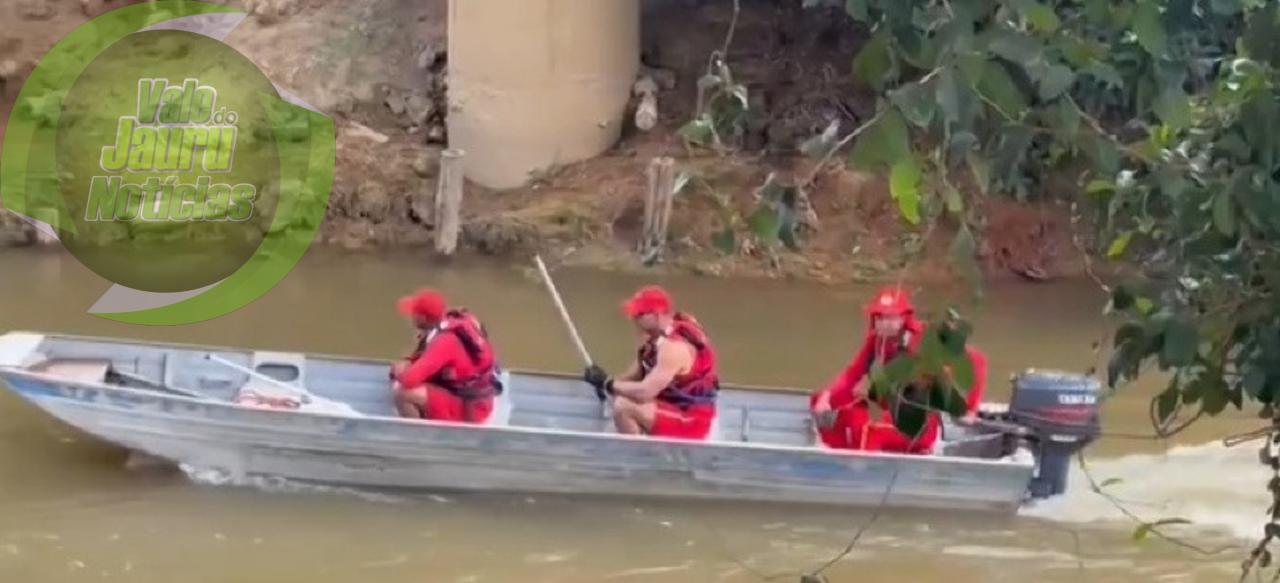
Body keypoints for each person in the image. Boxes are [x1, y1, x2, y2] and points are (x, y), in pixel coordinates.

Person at [809, 286, 987, 454]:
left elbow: (978, 360)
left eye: (891, 317)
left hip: (918, 426)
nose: (884, 323)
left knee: (870, 429)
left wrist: (970, 410)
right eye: (880, 318)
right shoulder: (876, 340)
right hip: (889, 410)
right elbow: (852, 374)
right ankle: (835, 451)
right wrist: (827, 396)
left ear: (904, 318)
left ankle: (861, 471)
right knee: (822, 400)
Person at [583, 285, 720, 440]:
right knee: (620, 396)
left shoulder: (673, 348)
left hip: (691, 421)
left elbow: (645, 392)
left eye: (639, 314)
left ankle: (638, 459)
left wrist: (609, 384)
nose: (634, 319)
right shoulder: (652, 339)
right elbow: (634, 376)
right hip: (671, 407)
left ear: (657, 315)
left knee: (623, 406)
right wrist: (606, 385)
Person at [391, 288, 501, 423]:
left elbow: (409, 380)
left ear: (423, 318)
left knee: (402, 393)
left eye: (414, 313)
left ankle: (420, 438)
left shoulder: (445, 341)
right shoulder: (452, 321)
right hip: (478, 399)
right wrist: (410, 361)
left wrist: (398, 371)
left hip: (470, 410)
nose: (411, 316)